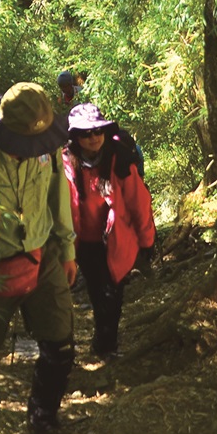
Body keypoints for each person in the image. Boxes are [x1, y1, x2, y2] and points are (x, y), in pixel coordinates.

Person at [0, 82, 83, 434]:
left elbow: (57, 196)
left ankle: (43, 422)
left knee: (60, 344)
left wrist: (67, 251)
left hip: (42, 254)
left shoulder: (47, 150)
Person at [63, 102, 156, 360]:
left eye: (97, 132)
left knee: (113, 292)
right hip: (84, 242)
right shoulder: (65, 164)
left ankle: (106, 344)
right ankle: (103, 343)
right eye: (86, 133)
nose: (93, 138)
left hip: (117, 240)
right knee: (97, 290)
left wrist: (147, 240)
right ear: (75, 137)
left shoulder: (120, 159)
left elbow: (139, 202)